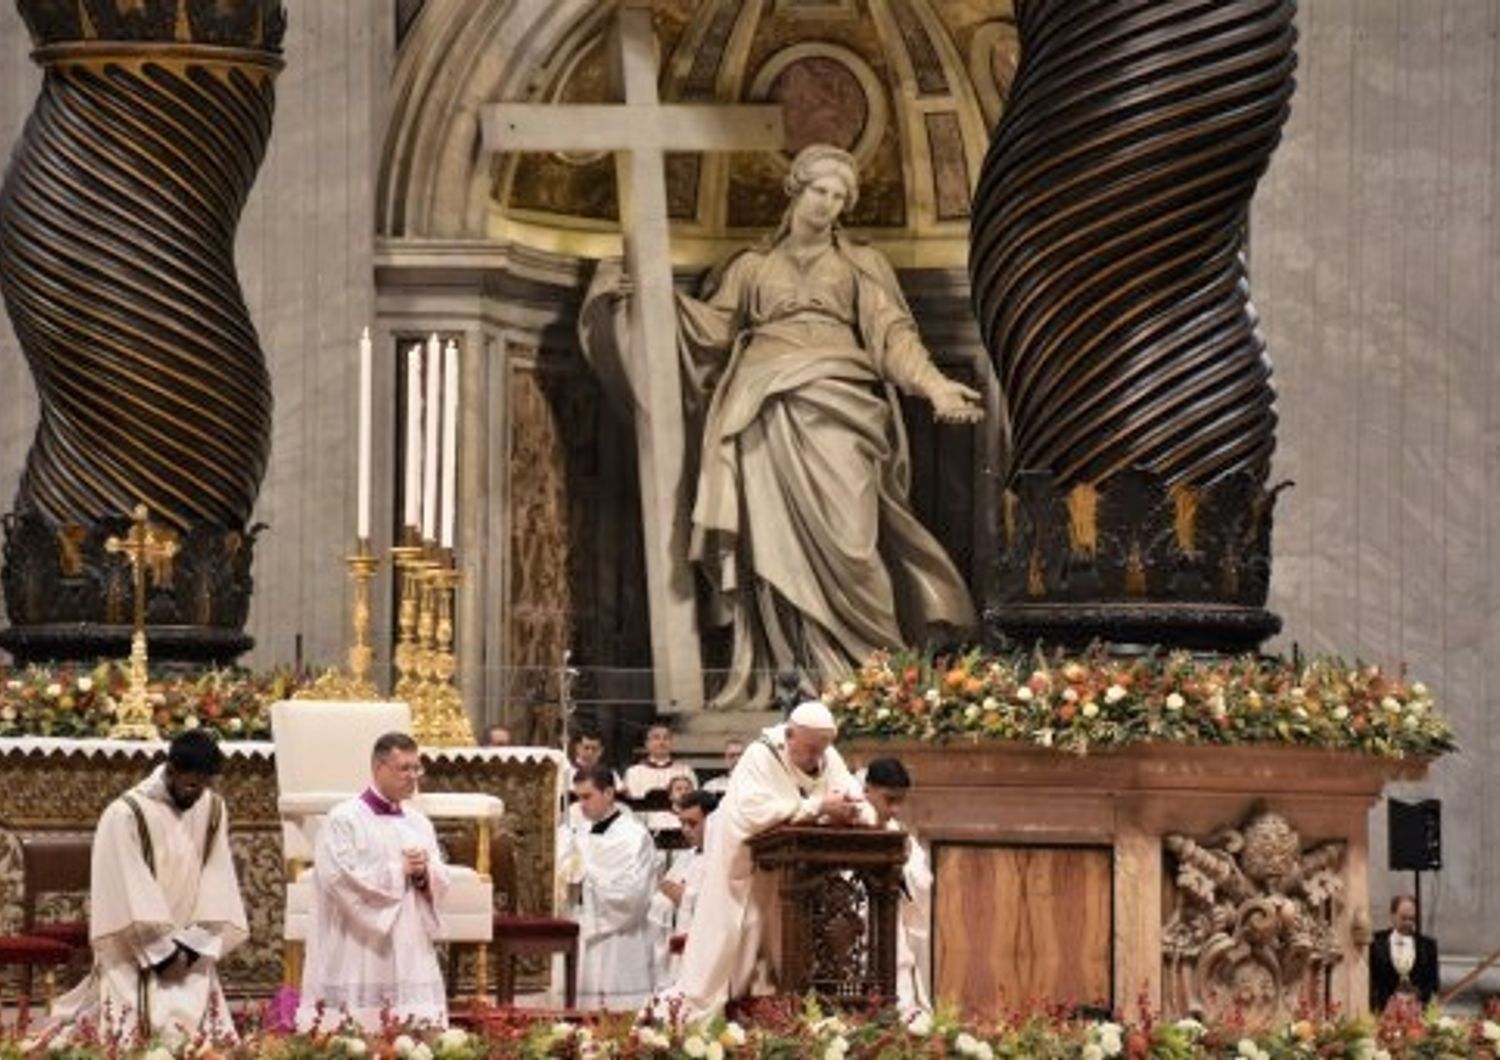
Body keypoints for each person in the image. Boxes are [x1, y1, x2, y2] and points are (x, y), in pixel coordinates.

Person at [582, 144, 982, 710]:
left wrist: (936, 386)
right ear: (795, 189)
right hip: (759, 410)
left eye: (840, 196)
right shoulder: (749, 267)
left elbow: (894, 337)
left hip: (839, 406)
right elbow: (708, 332)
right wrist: (646, 299)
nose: (829, 204)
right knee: (769, 550)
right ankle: (786, 675)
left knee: (852, 543)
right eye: (820, 190)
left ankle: (872, 676)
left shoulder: (860, 265)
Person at [670, 701, 872, 1021]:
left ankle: (796, 1012)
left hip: (801, 877)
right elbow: (753, 813)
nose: (816, 759)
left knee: (796, 949)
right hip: (748, 874)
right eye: (808, 749)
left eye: (822, 750)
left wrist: (852, 809)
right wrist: (818, 806)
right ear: (789, 736)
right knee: (737, 944)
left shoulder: (827, 756)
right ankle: (712, 1017)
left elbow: (856, 799)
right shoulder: (760, 756)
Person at [48, 730, 247, 1044]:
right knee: (145, 1037)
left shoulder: (212, 809)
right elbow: (126, 888)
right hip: (136, 951)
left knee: (205, 1039)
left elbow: (217, 877)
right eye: (191, 784)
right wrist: (163, 953)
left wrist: (193, 944)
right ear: (170, 770)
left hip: (188, 949)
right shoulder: (125, 814)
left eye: (206, 785)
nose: (197, 795)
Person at [297, 732, 450, 1031]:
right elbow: (338, 877)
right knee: (359, 1030)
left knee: (413, 1030)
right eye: (403, 768)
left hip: (408, 940)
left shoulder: (419, 822)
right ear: (379, 768)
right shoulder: (345, 818)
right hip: (359, 941)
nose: (412, 776)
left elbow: (440, 876)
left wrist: (423, 874)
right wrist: (398, 870)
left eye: (416, 768)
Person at [558, 765, 659, 1010]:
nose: (581, 805)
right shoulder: (574, 832)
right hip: (581, 926)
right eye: (577, 797)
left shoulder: (633, 836)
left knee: (619, 1010)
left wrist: (587, 878)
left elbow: (633, 893)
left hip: (620, 936)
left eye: (587, 796)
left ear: (609, 793)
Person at [860, 757, 932, 1013]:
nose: (895, 809)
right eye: (889, 799)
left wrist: (905, 868)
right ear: (867, 789)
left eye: (900, 801)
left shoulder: (899, 833)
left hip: (889, 925)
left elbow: (920, 882)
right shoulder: (845, 822)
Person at [648, 789, 716, 988]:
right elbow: (665, 890)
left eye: (692, 823)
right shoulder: (687, 856)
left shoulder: (722, 858)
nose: (685, 829)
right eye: (682, 823)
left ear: (711, 821)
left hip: (704, 942)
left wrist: (685, 896)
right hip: (675, 935)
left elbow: (722, 903)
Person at [624, 721, 698, 834]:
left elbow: (694, 805)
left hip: (680, 832)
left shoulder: (685, 771)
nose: (661, 742)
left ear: (672, 743)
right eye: (656, 738)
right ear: (647, 743)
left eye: (666, 738)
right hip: (642, 832)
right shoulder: (633, 773)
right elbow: (629, 807)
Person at [1370, 893, 1439, 1011]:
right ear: (1392, 915)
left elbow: (1433, 983)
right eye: (1403, 918)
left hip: (1417, 1012)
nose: (1408, 923)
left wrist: (1418, 1001)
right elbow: (1371, 979)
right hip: (1382, 1010)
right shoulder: (1376, 942)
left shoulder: (1427, 945)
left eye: (1411, 918)